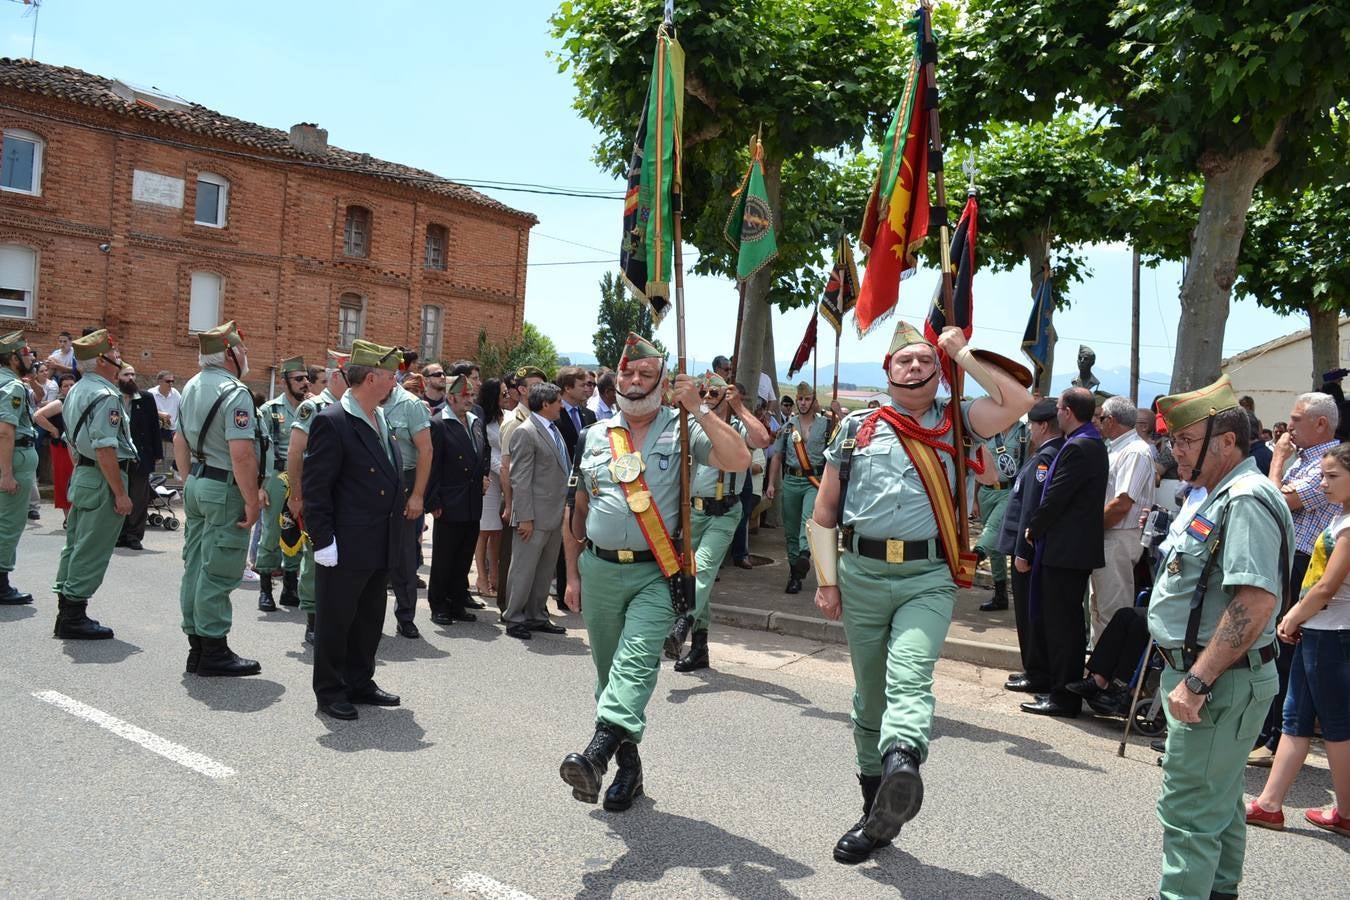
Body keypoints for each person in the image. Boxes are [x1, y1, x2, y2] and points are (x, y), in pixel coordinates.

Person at [807, 321, 1032, 863]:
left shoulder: (959, 423)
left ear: (939, 373)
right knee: (869, 696)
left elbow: (1020, 400)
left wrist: (964, 353)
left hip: (926, 577)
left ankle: (903, 760)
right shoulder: (856, 429)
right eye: (903, 361)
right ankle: (875, 812)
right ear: (887, 373)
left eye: (924, 361)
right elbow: (825, 512)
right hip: (859, 574)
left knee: (910, 671)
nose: (913, 368)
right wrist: (827, 582)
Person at [559, 334, 750, 812]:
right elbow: (577, 511)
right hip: (598, 569)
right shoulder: (595, 434)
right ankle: (629, 768)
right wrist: (572, 576)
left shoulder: (684, 425)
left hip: (657, 573)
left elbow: (740, 460)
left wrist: (701, 409)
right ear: (616, 378)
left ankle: (597, 753)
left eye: (647, 375)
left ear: (664, 385)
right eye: (628, 373)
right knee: (609, 675)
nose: (635, 381)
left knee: (638, 660)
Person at [1145, 375, 1291, 900]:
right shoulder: (1222, 494)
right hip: (1213, 676)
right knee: (1221, 799)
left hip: (1216, 682)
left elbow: (1253, 603)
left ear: (1226, 442)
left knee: (1188, 811)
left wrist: (1198, 683)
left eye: (1185, 441)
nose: (1175, 451)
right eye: (1174, 440)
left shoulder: (1245, 498)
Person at [1246, 441, 1350, 838]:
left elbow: (1326, 586)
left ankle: (1345, 811)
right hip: (1320, 631)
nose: (1323, 484)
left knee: (1337, 725)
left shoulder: (1348, 524)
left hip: (1332, 633)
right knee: (1295, 719)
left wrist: (1291, 616)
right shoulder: (1341, 517)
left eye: (1332, 477)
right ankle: (1270, 804)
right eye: (1322, 475)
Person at [303, 340, 405, 721]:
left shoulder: (380, 417)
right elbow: (317, 488)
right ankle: (330, 690)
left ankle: (360, 681)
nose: (395, 380)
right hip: (345, 542)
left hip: (378, 539)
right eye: (391, 374)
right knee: (336, 619)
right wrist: (323, 540)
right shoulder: (333, 420)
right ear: (372, 377)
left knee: (368, 618)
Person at [1250, 391, 1343, 766]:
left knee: (1283, 651)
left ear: (1321, 424)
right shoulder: (1306, 460)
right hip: (1287, 558)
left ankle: (1274, 739)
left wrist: (1276, 459)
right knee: (1272, 647)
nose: (1289, 427)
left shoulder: (1327, 464)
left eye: (1296, 420)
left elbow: (1277, 501)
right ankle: (1266, 732)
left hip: (1303, 563)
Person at [173, 322, 264, 676]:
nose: (245, 355)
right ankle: (213, 651)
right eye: (242, 349)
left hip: (197, 480)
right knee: (219, 570)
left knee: (195, 565)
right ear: (229, 353)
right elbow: (241, 453)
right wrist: (252, 500)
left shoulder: (192, 384)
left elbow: (180, 439)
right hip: (224, 486)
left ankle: (197, 646)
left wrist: (188, 478)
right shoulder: (235, 391)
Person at [664, 372, 771, 671]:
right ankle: (700, 647)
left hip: (724, 512)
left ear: (726, 395)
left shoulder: (737, 427)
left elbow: (762, 439)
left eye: (715, 393)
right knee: (699, 579)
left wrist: (739, 408)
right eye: (705, 393)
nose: (709, 397)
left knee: (704, 568)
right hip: (693, 511)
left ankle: (682, 621)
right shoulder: (694, 425)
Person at [1019, 387, 1109, 718]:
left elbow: (1055, 497)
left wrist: (1033, 528)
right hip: (1068, 550)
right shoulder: (1085, 441)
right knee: (1063, 624)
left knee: (1064, 628)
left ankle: (1063, 696)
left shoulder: (1082, 446)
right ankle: (1059, 689)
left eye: (1058, 407)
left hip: (1066, 551)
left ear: (1068, 411)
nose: (1056, 413)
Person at [51, 330, 136, 640]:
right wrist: (120, 493)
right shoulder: (105, 395)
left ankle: (66, 610)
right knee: (92, 548)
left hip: (86, 473)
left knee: (75, 544)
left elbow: (72, 439)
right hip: (102, 477)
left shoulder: (76, 390)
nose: (118, 361)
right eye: (114, 356)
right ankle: (74, 615)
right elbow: (105, 448)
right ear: (101, 361)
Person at [997, 399, 1063, 695]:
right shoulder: (1047, 454)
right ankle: (1033, 668)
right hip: (1030, 549)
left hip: (1028, 551)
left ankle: (1036, 671)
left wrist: (1023, 550)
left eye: (1033, 425)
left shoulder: (1045, 458)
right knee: (1029, 612)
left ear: (1043, 426)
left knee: (1029, 613)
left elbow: (1031, 509)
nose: (1031, 431)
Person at [286, 351, 349, 645]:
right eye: (351, 379)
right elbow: (296, 451)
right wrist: (296, 494)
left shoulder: (354, 407)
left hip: (345, 495)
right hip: (317, 493)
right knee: (315, 557)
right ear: (337, 377)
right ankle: (313, 619)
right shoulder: (313, 407)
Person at [502, 382, 570, 640]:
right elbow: (520, 478)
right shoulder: (526, 432)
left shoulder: (554, 429)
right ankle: (514, 617)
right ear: (545, 404)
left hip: (553, 514)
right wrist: (525, 517)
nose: (561, 406)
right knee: (523, 568)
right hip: (534, 516)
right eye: (558, 401)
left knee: (544, 570)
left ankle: (536, 615)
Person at [1090, 395, 1156, 641]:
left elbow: (1122, 504)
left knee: (1112, 608)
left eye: (1101, 417)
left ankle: (1107, 674)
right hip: (1107, 533)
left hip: (1118, 535)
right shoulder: (1117, 448)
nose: (1097, 422)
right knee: (1098, 606)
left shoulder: (1135, 451)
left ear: (1113, 420)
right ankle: (1096, 669)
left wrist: (1088, 529)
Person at [427, 375, 488, 628]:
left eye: (472, 396)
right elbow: (433, 466)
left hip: (473, 498)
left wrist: (483, 475)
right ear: (450, 398)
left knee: (463, 555)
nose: (470, 401)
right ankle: (439, 604)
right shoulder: (439, 424)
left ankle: (457, 601)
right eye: (465, 396)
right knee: (444, 556)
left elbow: (484, 452)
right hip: (450, 499)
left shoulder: (475, 421)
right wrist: (434, 500)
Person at [247, 357, 306, 610]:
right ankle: (266, 590)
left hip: (302, 479)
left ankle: (291, 589)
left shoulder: (311, 408)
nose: (305, 383)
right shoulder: (270, 410)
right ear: (285, 382)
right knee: (271, 533)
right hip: (276, 477)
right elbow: (261, 451)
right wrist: (259, 486)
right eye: (298, 379)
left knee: (297, 533)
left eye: (306, 378)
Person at [383, 353, 434, 638]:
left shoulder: (410, 405)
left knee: (403, 556)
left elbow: (426, 451)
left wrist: (418, 496)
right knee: (372, 555)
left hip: (405, 484)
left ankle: (406, 616)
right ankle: (370, 616)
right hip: (373, 485)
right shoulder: (361, 402)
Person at [766, 382, 831, 594]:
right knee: (791, 529)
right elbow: (777, 456)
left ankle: (804, 554)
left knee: (807, 519)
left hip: (814, 481)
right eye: (800, 399)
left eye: (807, 399)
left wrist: (838, 413)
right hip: (791, 480)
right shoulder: (788, 427)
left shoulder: (826, 425)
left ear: (814, 400)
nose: (803, 403)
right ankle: (795, 573)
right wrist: (771, 484)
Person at [497, 365, 547, 610]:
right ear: (523, 391)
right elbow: (506, 468)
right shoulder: (514, 421)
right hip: (518, 499)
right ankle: (508, 606)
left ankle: (530, 607)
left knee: (532, 559)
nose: (542, 391)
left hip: (536, 498)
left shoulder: (541, 419)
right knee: (513, 556)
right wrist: (509, 503)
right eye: (536, 386)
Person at [972, 418, 1031, 611]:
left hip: (1010, 491)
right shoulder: (987, 429)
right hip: (986, 491)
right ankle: (1000, 595)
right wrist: (974, 498)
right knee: (996, 547)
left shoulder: (1026, 432)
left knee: (994, 528)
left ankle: (975, 557)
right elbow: (977, 464)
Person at [0, 331, 38, 605]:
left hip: (11, 457)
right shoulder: (12, 386)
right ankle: (1, 584)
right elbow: (5, 431)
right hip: (15, 458)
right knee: (9, 523)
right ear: (13, 358)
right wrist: (7, 474)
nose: (31, 357)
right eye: (26, 353)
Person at [115, 365, 162, 551]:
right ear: (117, 377)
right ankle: (118, 533)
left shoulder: (146, 398)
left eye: (133, 374)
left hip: (140, 455)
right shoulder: (111, 397)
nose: (131, 377)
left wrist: (157, 453)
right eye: (126, 374)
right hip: (118, 455)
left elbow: (153, 427)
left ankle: (134, 535)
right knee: (119, 494)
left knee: (139, 497)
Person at [473, 378, 506, 598]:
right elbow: (486, 449)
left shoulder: (507, 416)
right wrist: (502, 470)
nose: (507, 396)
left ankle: (495, 576)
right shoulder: (482, 418)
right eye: (502, 393)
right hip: (489, 480)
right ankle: (481, 578)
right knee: (484, 531)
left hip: (503, 478)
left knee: (498, 531)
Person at [33, 374, 76, 527]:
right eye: (66, 386)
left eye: (72, 384)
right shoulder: (60, 403)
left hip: (77, 447)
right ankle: (67, 518)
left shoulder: (79, 400)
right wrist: (54, 430)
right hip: (62, 447)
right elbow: (38, 415)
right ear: (61, 389)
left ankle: (76, 516)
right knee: (64, 481)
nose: (69, 388)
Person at [153, 370, 181, 467]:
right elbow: (146, 411)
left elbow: (183, 407)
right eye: (168, 381)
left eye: (172, 381)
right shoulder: (151, 393)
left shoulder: (175, 393)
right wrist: (160, 414)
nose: (171, 384)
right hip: (156, 428)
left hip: (172, 428)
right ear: (160, 381)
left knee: (184, 441)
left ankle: (176, 468)